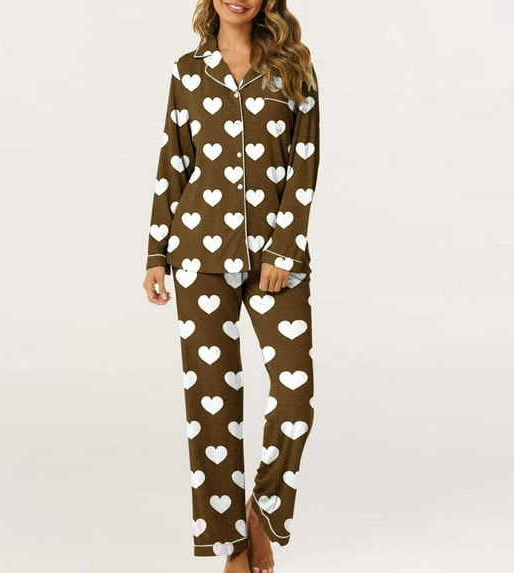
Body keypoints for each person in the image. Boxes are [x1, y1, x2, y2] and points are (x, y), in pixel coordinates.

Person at [142, 1, 320, 571]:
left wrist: (284, 248)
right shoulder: (188, 71)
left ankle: (261, 514)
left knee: (294, 401)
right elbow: (174, 161)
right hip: (198, 255)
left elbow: (304, 165)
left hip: (277, 261)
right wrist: (156, 253)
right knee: (211, 405)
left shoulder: (293, 67)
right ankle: (232, 548)